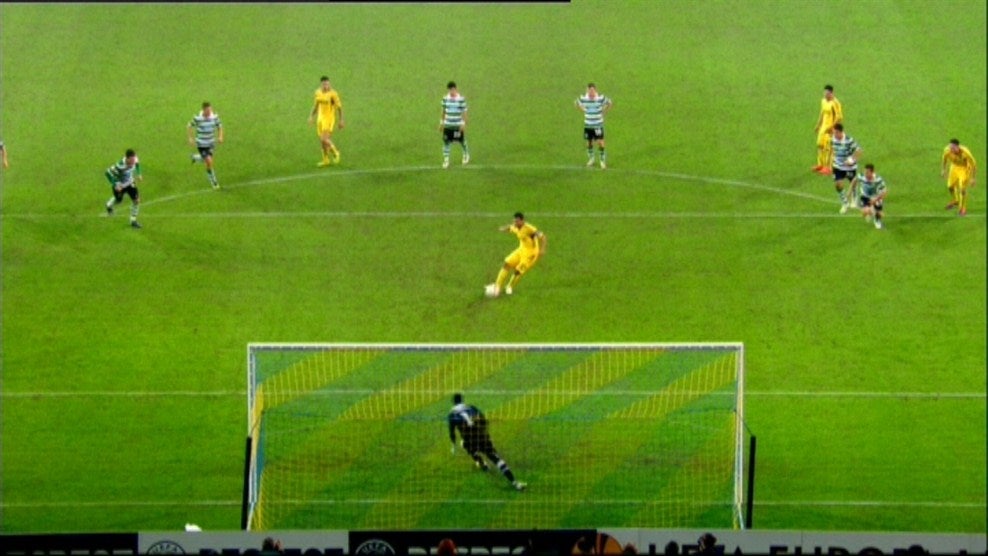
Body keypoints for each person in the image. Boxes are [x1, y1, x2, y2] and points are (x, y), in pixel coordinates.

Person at [447, 393, 526, 491]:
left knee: (464, 444)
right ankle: (515, 483)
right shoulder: (471, 407)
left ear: (453, 403)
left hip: (469, 441)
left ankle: (481, 463)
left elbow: (452, 433)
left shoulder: (452, 415)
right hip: (482, 438)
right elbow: (484, 420)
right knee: (496, 459)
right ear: (462, 400)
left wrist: (453, 446)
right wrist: (484, 432)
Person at [487, 212, 547, 298]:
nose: (515, 223)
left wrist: (543, 249)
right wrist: (501, 229)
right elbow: (510, 227)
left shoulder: (529, 229)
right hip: (521, 250)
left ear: (523, 221)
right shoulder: (515, 226)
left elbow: (543, 237)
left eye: (517, 221)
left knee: (518, 271)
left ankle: (509, 287)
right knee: (506, 264)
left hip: (531, 253)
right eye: (514, 221)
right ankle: (497, 287)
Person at [308, 75, 344, 167]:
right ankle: (325, 160)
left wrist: (341, 120)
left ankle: (336, 152)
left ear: (329, 84)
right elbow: (316, 105)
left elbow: (339, 107)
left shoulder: (333, 94)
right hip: (320, 119)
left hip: (329, 119)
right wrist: (311, 116)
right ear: (321, 84)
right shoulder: (317, 92)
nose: (326, 86)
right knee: (322, 141)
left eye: (327, 84)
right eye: (324, 84)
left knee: (324, 139)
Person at [575, 82, 612, 169]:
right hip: (588, 125)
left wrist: (604, 112)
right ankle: (591, 159)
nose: (591, 92)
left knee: (600, 142)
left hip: (597, 125)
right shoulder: (583, 98)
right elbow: (576, 103)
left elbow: (609, 103)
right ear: (587, 90)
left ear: (595, 90)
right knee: (589, 143)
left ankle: (602, 161)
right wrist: (583, 110)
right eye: (589, 91)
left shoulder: (600, 98)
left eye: (592, 91)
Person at [187, 101, 224, 189]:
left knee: (207, 159)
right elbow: (189, 126)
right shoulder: (198, 118)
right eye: (207, 110)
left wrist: (220, 136)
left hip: (211, 143)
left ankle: (195, 158)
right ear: (203, 110)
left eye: (210, 110)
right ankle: (213, 180)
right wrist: (190, 138)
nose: (209, 112)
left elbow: (220, 126)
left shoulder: (214, 117)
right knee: (209, 161)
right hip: (201, 144)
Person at [104, 148, 143, 229]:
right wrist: (115, 184)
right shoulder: (120, 165)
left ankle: (133, 221)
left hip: (130, 183)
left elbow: (137, 164)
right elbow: (107, 173)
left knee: (136, 200)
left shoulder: (134, 159)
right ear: (127, 158)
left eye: (134, 160)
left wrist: (139, 174)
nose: (133, 162)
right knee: (119, 200)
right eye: (131, 160)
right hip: (120, 185)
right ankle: (109, 205)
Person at [830, 123, 862, 214]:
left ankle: (854, 198)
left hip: (849, 167)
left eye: (835, 133)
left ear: (840, 132)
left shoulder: (849, 140)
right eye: (833, 133)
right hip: (838, 166)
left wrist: (852, 159)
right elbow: (833, 150)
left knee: (853, 184)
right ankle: (845, 203)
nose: (834, 135)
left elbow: (859, 151)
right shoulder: (832, 139)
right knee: (838, 185)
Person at [941, 138, 977, 216]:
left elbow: (974, 164)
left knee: (962, 188)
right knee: (950, 186)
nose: (951, 149)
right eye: (950, 147)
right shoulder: (947, 150)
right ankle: (956, 200)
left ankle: (962, 208)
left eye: (953, 148)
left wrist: (973, 178)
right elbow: (944, 159)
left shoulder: (965, 152)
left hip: (964, 169)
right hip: (954, 167)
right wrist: (943, 169)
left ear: (957, 147)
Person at [812, 84, 843, 175]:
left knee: (828, 148)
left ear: (832, 93)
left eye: (827, 93)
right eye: (824, 93)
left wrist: (832, 128)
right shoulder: (823, 101)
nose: (825, 95)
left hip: (830, 129)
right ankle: (820, 165)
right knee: (820, 145)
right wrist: (818, 125)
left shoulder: (835, 103)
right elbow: (822, 113)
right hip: (823, 128)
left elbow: (839, 117)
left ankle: (829, 168)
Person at [440, 81, 470, 169]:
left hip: (457, 126)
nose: (451, 91)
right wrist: (441, 123)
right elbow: (443, 111)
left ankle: (466, 154)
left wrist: (463, 123)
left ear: (456, 89)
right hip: (448, 125)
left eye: (453, 89)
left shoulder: (461, 99)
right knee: (446, 142)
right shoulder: (445, 99)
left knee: (461, 141)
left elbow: (464, 112)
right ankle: (446, 160)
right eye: (450, 90)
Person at [851, 163, 888, 229]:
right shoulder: (861, 176)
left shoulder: (878, 179)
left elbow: (885, 191)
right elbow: (854, 180)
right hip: (865, 197)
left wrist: (875, 199)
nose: (865, 174)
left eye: (867, 172)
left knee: (881, 214)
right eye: (865, 172)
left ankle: (876, 219)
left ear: (872, 172)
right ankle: (872, 212)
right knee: (865, 212)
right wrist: (851, 192)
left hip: (876, 197)